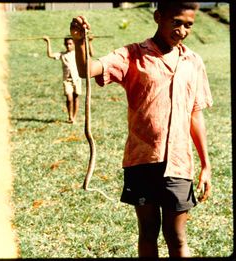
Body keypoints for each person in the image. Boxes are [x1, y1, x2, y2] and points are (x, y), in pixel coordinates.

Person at [70, 1, 212, 258]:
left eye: (188, 25)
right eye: (176, 22)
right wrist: (80, 43)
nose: (181, 30)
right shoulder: (132, 55)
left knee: (177, 237)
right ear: (158, 17)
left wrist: (206, 165)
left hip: (179, 163)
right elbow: (87, 70)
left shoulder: (193, 61)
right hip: (142, 161)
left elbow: (195, 114)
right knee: (147, 233)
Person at [43, 35, 94, 124]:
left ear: (74, 44)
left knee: (76, 97)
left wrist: (89, 42)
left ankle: (74, 117)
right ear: (64, 44)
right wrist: (48, 42)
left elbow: (91, 54)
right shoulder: (62, 54)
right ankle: (70, 115)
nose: (68, 46)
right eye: (67, 44)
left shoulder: (77, 53)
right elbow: (50, 55)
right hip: (67, 80)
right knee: (69, 98)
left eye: (70, 44)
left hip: (77, 79)